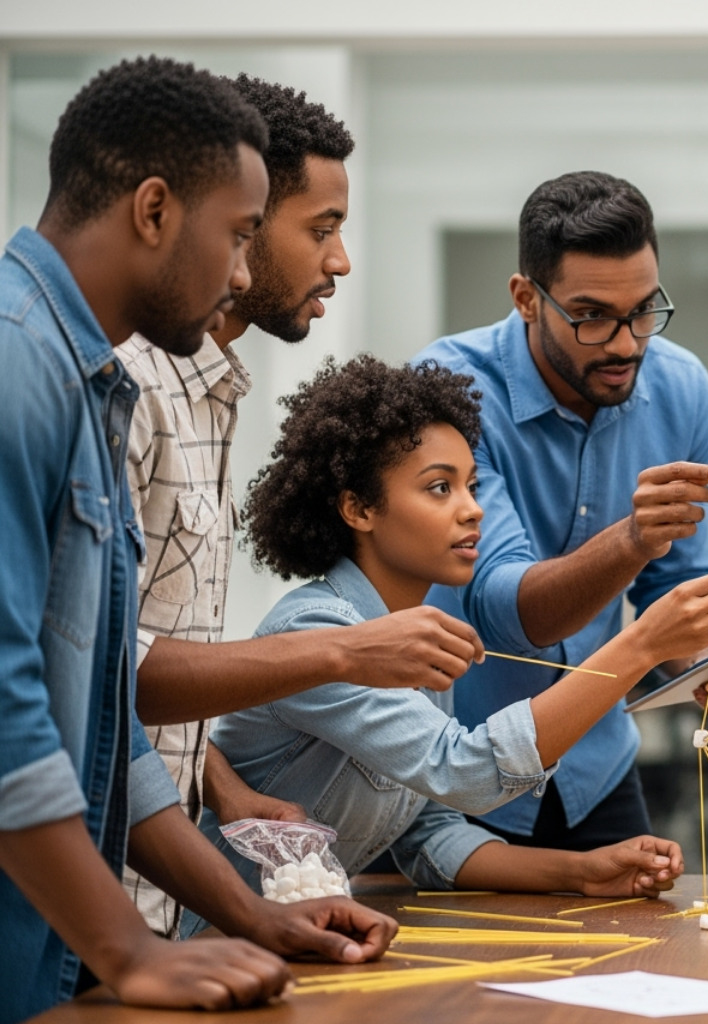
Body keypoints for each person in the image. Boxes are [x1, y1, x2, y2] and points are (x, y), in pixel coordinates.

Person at [0, 56, 394, 1024]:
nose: (242, 270)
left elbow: (100, 716)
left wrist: (246, 912)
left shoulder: (83, 374)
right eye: (239, 234)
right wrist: (126, 947)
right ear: (153, 210)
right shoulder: (19, 365)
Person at [120, 73, 484, 940]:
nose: (340, 260)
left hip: (157, 901)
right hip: (99, 901)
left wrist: (224, 791)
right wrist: (347, 651)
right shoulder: (126, 386)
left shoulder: (212, 389)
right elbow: (100, 672)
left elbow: (131, 671)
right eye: (318, 230)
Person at [194, 356, 708, 908]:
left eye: (472, 486)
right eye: (440, 488)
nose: (473, 510)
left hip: (289, 942)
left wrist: (583, 871)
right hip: (211, 940)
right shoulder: (317, 631)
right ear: (359, 509)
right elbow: (466, 771)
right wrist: (643, 642)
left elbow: (427, 831)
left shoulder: (417, 639)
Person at [418, 171, 708, 853]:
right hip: (458, 768)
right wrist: (630, 540)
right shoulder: (447, 388)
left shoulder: (681, 386)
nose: (626, 343)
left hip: (594, 766)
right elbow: (515, 612)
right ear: (526, 299)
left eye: (643, 311)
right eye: (592, 315)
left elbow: (672, 585)